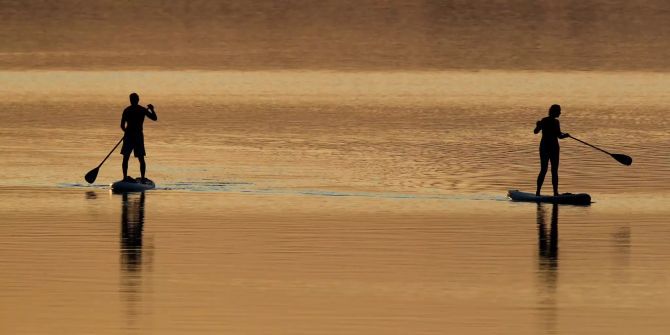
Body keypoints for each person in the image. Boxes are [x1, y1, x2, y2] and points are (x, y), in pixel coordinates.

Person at [120, 93, 158, 182]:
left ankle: (126, 177)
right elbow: (154, 118)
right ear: (138, 100)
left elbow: (122, 126)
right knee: (140, 158)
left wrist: (126, 132)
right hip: (137, 136)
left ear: (131, 100)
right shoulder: (142, 110)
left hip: (130, 136)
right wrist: (152, 109)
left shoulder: (127, 110)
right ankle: (142, 177)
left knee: (127, 158)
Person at [534, 104, 569, 196]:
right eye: (559, 111)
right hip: (547, 147)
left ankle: (552, 192)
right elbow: (536, 131)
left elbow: (558, 135)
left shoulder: (550, 121)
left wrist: (565, 135)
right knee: (546, 170)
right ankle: (541, 192)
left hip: (552, 148)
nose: (560, 113)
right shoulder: (546, 121)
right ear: (554, 112)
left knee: (550, 170)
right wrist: (538, 125)